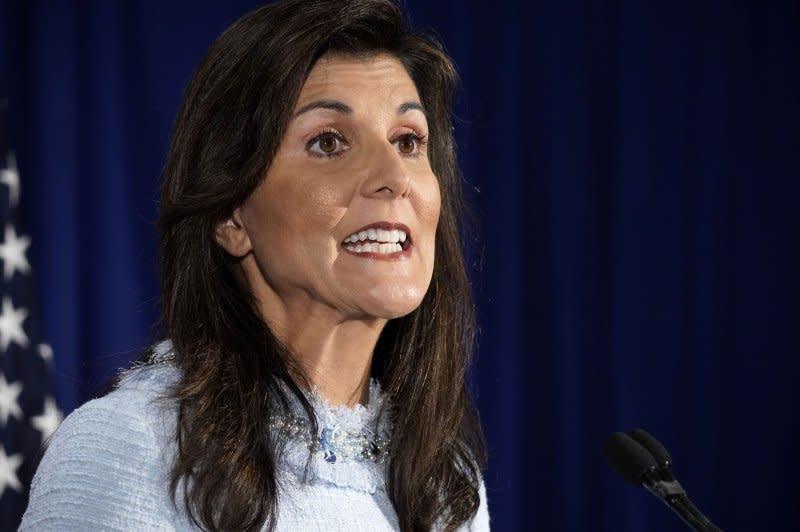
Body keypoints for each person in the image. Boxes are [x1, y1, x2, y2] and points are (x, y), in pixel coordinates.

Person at [20, 0, 489, 530]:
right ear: (230, 214)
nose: (394, 176)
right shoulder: (131, 449)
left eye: (408, 142)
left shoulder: (447, 479)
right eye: (329, 142)